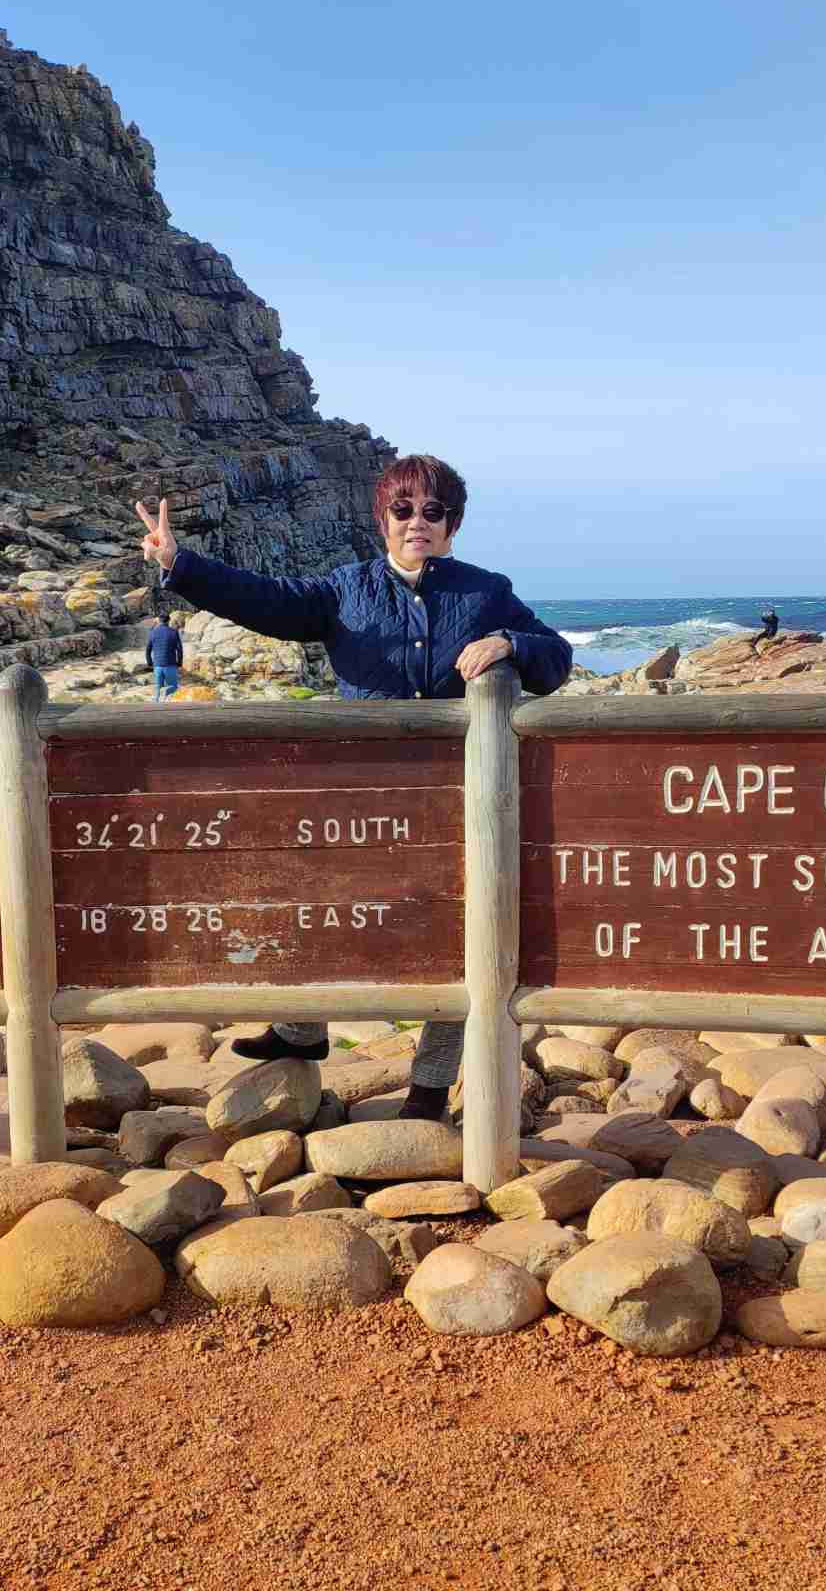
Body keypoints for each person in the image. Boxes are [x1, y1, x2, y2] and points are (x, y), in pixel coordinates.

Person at [137, 453, 572, 1122]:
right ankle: (301, 1029)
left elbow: (557, 659)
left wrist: (510, 643)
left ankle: (429, 1089)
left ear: (452, 525)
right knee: (312, 897)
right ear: (382, 520)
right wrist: (180, 563)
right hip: (362, 795)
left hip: (459, 801)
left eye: (433, 512)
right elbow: (266, 600)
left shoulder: (486, 593)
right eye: (404, 510)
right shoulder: (346, 588)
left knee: (459, 939)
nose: (418, 522)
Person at [146, 612, 184, 701]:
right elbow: (179, 649)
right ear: (168, 621)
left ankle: (157, 705)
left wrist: (150, 663)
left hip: (157, 666)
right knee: (173, 689)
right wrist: (179, 663)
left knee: (158, 690)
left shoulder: (153, 632)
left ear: (159, 621)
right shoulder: (174, 632)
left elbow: (148, 649)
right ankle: (168, 703)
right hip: (170, 665)